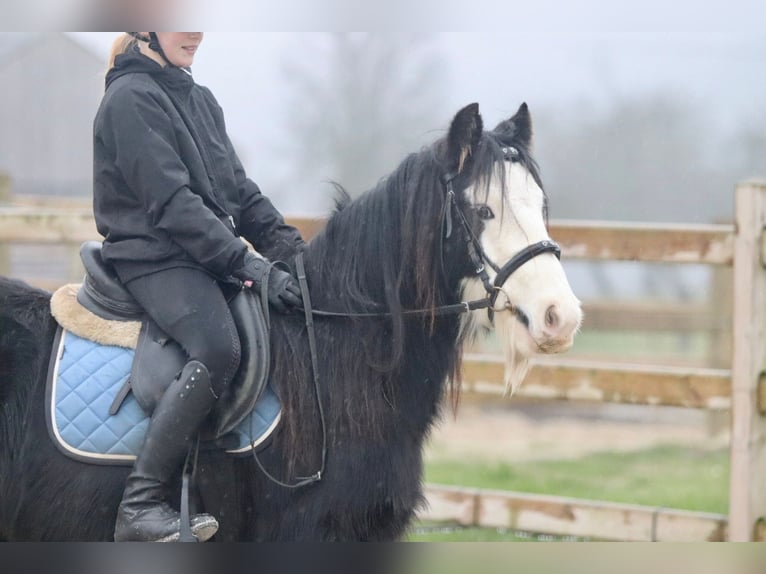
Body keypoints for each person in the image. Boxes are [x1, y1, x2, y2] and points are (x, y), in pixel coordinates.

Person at [93, 32, 305, 542]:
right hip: (152, 257)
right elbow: (173, 205)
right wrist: (251, 267)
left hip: (197, 256)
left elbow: (240, 193)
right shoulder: (129, 100)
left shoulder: (198, 98)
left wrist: (295, 256)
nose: (194, 32)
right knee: (217, 346)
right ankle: (140, 504)